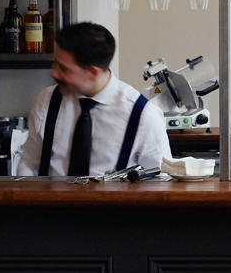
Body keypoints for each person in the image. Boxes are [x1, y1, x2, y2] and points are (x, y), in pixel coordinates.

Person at [18, 21, 170, 177]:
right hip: (49, 200)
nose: (54, 73)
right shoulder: (45, 101)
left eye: (64, 69)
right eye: (55, 62)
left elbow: (160, 180)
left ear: (93, 73)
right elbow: (29, 163)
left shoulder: (144, 115)